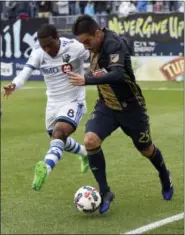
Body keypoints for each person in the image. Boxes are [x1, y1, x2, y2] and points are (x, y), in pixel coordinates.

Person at [67, 15, 174, 214]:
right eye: (82, 43)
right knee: (90, 140)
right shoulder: (94, 47)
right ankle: (105, 191)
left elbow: (116, 75)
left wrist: (86, 80)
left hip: (131, 108)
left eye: (87, 42)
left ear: (98, 33)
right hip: (106, 106)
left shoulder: (113, 44)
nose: (85, 47)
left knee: (146, 149)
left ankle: (164, 175)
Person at [3, 24, 89, 191]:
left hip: (74, 100)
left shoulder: (74, 47)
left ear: (57, 37)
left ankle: (46, 167)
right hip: (53, 104)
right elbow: (25, 73)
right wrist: (14, 85)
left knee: (60, 133)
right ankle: (85, 153)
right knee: (56, 138)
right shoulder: (39, 53)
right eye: (43, 46)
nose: (47, 49)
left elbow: (94, 54)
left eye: (49, 44)